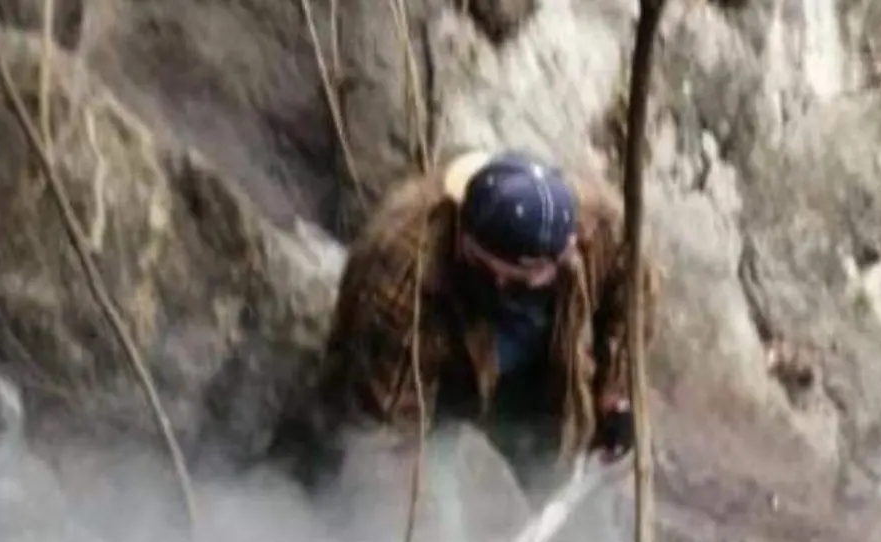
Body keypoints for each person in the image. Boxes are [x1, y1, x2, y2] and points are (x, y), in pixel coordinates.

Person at [277, 147, 653, 495]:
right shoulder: (399, 273)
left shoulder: (598, 224)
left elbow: (632, 292)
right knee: (426, 509)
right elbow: (389, 433)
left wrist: (616, 394)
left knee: (571, 506)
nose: (495, 284)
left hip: (537, 370)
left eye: (523, 279)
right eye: (480, 266)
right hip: (435, 381)